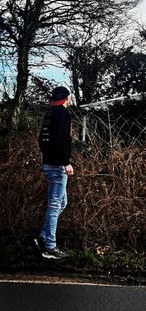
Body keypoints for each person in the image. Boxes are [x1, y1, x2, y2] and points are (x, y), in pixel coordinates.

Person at [33, 86, 74, 260]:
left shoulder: (50, 113)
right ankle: (50, 246)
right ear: (66, 98)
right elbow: (60, 141)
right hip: (58, 166)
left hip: (49, 163)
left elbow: (42, 140)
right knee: (55, 205)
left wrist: (48, 156)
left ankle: (43, 237)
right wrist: (66, 162)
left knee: (62, 202)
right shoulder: (63, 114)